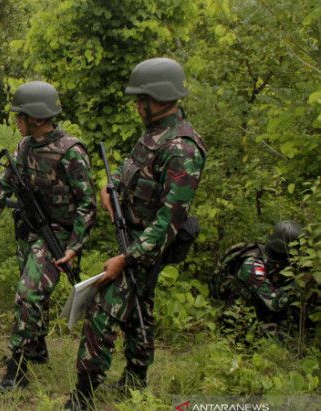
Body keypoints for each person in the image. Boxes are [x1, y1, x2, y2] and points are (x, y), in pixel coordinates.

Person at [65, 57, 207, 410]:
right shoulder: (155, 134)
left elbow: (169, 220)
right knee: (139, 308)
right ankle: (135, 381)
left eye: (140, 98)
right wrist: (110, 188)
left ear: (156, 98)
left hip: (147, 247)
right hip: (133, 238)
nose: (136, 105)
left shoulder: (182, 148)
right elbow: (133, 173)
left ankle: (83, 397)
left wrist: (125, 259)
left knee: (103, 309)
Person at [0, 81, 97, 392]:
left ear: (37, 117)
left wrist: (74, 246)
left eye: (20, 116)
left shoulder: (71, 152)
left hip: (57, 234)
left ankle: (17, 366)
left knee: (29, 293)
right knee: (34, 295)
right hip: (28, 230)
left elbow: (87, 204)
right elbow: (4, 185)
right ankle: (37, 346)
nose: (16, 122)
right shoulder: (24, 146)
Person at [211, 221, 302, 333]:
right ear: (283, 248)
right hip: (239, 314)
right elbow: (275, 304)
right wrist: (300, 283)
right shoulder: (252, 266)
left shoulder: (273, 260)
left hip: (259, 306)